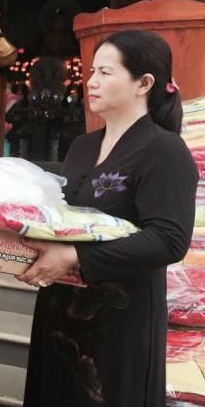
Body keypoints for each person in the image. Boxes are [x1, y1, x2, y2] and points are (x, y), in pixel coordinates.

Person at [17, 30, 198, 406]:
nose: (91, 82)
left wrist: (74, 256)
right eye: (91, 72)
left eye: (105, 72)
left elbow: (168, 240)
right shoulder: (83, 146)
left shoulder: (165, 150)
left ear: (143, 83)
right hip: (60, 308)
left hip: (120, 323)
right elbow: (63, 216)